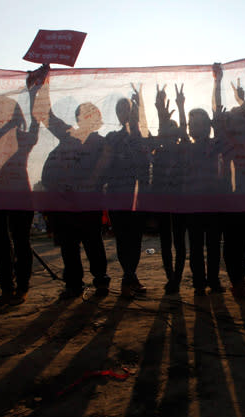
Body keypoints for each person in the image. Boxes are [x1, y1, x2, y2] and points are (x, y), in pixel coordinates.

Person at [36, 64, 111, 299]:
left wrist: (87, 185)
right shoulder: (67, 134)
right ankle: (74, 284)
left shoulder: (102, 143)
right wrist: (44, 82)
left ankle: (100, 281)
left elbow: (103, 171)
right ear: (78, 118)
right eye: (82, 114)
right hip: (64, 203)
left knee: (92, 244)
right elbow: (45, 114)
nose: (86, 117)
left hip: (87, 202)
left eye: (91, 114)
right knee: (69, 246)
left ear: (97, 119)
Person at [0, 64, 48, 305]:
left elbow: (35, 121)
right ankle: (13, 288)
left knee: (14, 242)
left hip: (13, 194)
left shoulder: (14, 137)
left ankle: (18, 288)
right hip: (2, 194)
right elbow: (33, 122)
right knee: (7, 243)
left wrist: (32, 91)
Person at [213, 64, 245, 299]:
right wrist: (217, 81)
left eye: (242, 118)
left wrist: (242, 100)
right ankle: (237, 281)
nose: (240, 121)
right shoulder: (225, 139)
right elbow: (217, 109)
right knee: (232, 241)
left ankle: (238, 279)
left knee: (242, 241)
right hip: (229, 194)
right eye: (235, 118)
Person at [178, 82, 230, 296]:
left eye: (199, 123)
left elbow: (218, 120)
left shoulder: (215, 144)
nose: (194, 127)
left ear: (208, 127)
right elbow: (181, 128)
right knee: (197, 248)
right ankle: (199, 283)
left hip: (213, 204)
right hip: (192, 205)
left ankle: (213, 281)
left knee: (213, 246)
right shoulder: (187, 146)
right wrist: (181, 107)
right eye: (192, 124)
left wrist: (217, 83)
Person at [101, 84, 150, 298]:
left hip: (138, 197)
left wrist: (139, 106)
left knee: (136, 239)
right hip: (117, 196)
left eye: (128, 109)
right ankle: (128, 279)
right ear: (117, 115)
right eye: (121, 110)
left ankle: (130, 278)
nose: (125, 113)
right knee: (123, 239)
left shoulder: (142, 137)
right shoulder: (112, 138)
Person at [152, 84, 189, 295]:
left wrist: (180, 106)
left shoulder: (182, 148)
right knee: (167, 242)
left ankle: (175, 278)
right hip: (163, 202)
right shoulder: (160, 151)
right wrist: (160, 111)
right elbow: (162, 129)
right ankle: (171, 278)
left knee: (177, 243)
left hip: (179, 202)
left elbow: (182, 127)